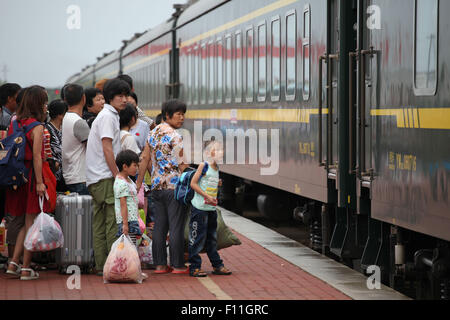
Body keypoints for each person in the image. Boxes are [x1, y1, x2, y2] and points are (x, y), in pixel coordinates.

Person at [137, 99, 188, 274]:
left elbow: (144, 159)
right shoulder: (175, 136)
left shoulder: (153, 133)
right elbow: (182, 166)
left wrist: (139, 183)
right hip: (174, 188)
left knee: (159, 227)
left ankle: (159, 265)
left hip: (157, 187)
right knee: (175, 227)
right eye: (178, 114)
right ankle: (178, 265)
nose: (181, 118)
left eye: (183, 114)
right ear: (167, 115)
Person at [4, 85, 51, 280]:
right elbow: (38, 157)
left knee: (23, 221)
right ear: (38, 103)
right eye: (44, 101)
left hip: (16, 176)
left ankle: (14, 263)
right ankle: (24, 268)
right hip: (32, 176)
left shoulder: (15, 123)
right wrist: (40, 183)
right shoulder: (36, 126)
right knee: (31, 222)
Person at [86, 78, 130, 275]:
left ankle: (101, 264)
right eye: (120, 96)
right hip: (104, 177)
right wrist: (117, 175)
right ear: (111, 98)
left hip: (96, 177)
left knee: (100, 222)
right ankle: (112, 265)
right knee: (112, 221)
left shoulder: (107, 115)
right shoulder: (108, 117)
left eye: (126, 95)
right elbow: (107, 148)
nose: (125, 99)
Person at [188, 140, 232, 277]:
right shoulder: (204, 165)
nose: (221, 152)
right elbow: (193, 184)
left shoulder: (216, 168)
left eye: (222, 149)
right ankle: (194, 267)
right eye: (217, 150)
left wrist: (216, 184)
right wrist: (207, 195)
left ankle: (217, 265)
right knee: (197, 238)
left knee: (212, 239)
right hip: (199, 209)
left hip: (210, 209)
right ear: (207, 153)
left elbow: (207, 183)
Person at [61, 84, 90, 195]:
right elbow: (93, 147)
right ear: (84, 98)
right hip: (81, 177)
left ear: (65, 99)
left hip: (71, 174)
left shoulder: (66, 117)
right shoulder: (78, 122)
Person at [45, 99, 68, 192]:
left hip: (65, 176)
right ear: (60, 115)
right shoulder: (47, 130)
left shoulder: (64, 128)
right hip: (53, 176)